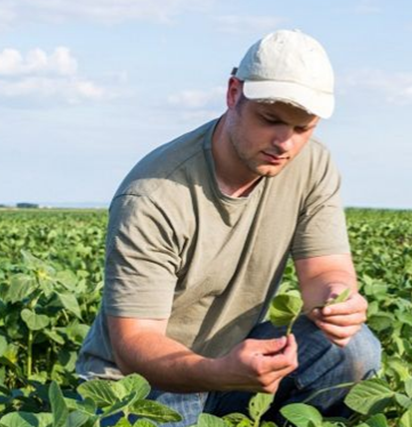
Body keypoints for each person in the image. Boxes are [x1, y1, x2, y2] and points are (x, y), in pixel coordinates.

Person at [76, 29, 382, 426]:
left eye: (303, 128)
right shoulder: (153, 196)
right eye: (270, 119)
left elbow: (325, 271)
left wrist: (336, 301)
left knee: (352, 349)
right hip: (143, 383)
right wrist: (219, 372)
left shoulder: (312, 166)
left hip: (237, 361)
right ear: (234, 93)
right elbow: (135, 343)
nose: (284, 143)